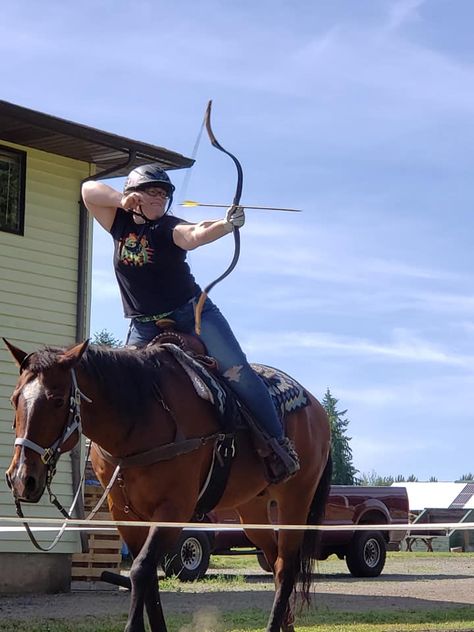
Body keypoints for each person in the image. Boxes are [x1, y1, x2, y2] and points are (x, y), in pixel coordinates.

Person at [81, 164, 299, 484]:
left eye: (163, 193)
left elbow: (194, 234)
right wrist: (120, 199)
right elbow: (88, 190)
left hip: (193, 314)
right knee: (125, 385)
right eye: (152, 191)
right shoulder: (118, 222)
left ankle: (278, 445)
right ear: (134, 194)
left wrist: (225, 225)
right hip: (143, 324)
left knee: (237, 372)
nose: (159, 198)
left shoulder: (170, 227)